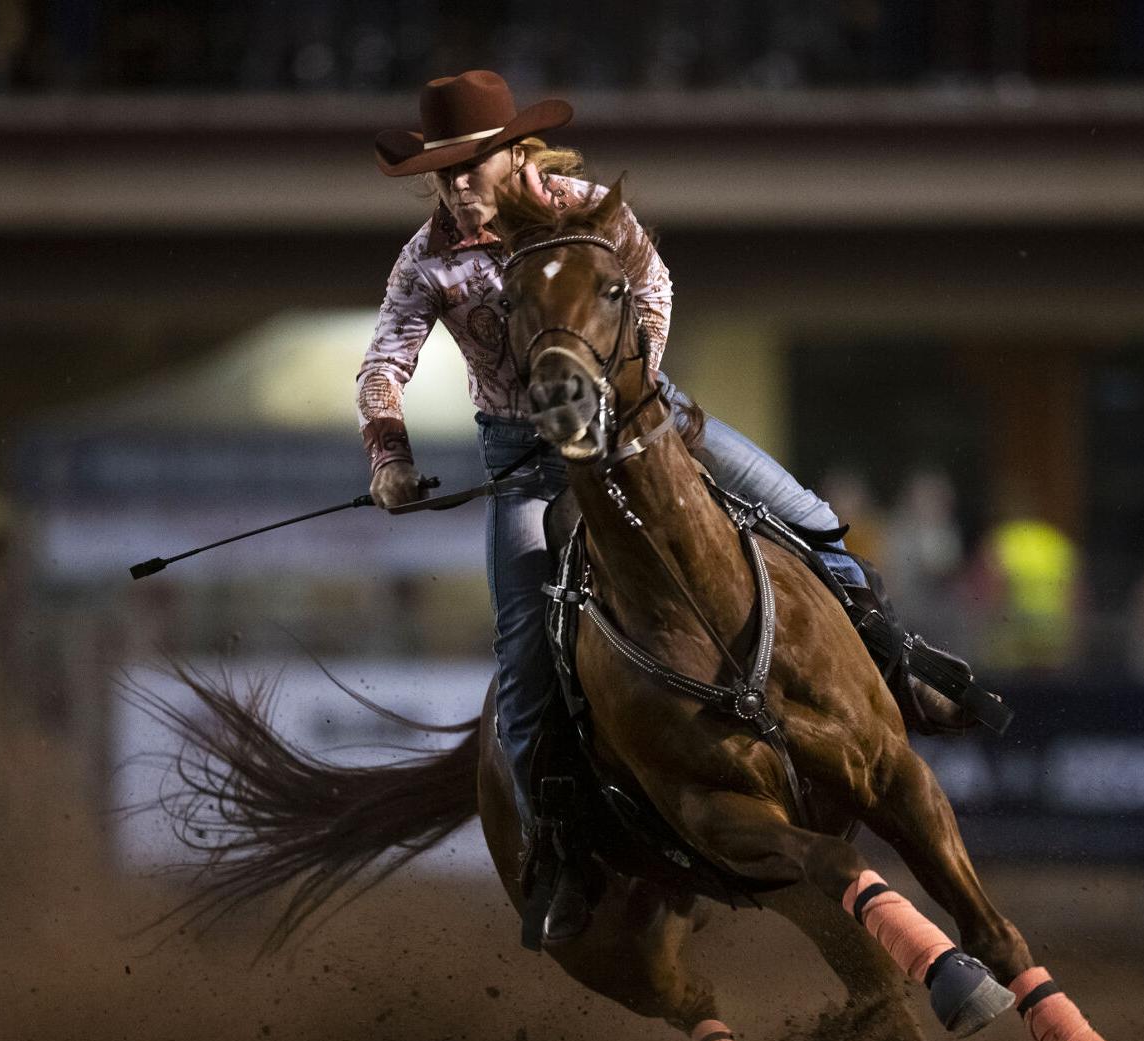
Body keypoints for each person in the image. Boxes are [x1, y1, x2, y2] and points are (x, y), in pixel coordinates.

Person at [357, 70, 984, 945]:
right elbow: (383, 365)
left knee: (808, 518)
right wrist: (389, 457)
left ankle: (900, 669)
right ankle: (560, 847)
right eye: (443, 171)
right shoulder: (426, 260)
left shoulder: (587, 207)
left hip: (645, 416)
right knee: (523, 656)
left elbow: (653, 287)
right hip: (527, 461)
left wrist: (630, 386)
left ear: (511, 155)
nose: (458, 184)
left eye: (472, 164)